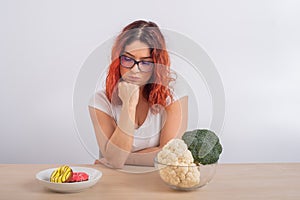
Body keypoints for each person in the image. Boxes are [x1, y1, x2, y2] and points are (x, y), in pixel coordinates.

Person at [88, 20, 188, 169]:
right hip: (114, 182)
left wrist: (123, 158)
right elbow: (115, 161)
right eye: (127, 59)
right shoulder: (100, 101)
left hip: (157, 182)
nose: (135, 70)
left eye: (145, 62)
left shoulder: (173, 96)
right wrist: (129, 104)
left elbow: (171, 155)